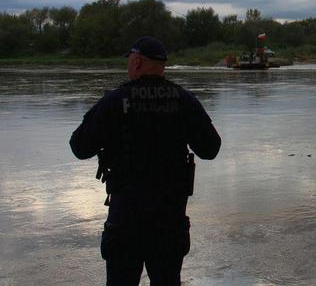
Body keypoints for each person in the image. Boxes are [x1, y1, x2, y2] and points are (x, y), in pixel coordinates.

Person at [70, 36, 222, 285]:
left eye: (129, 61)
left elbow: (79, 147)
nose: (129, 66)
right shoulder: (184, 100)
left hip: (125, 219)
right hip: (169, 219)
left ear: (138, 62)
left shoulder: (115, 100)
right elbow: (210, 148)